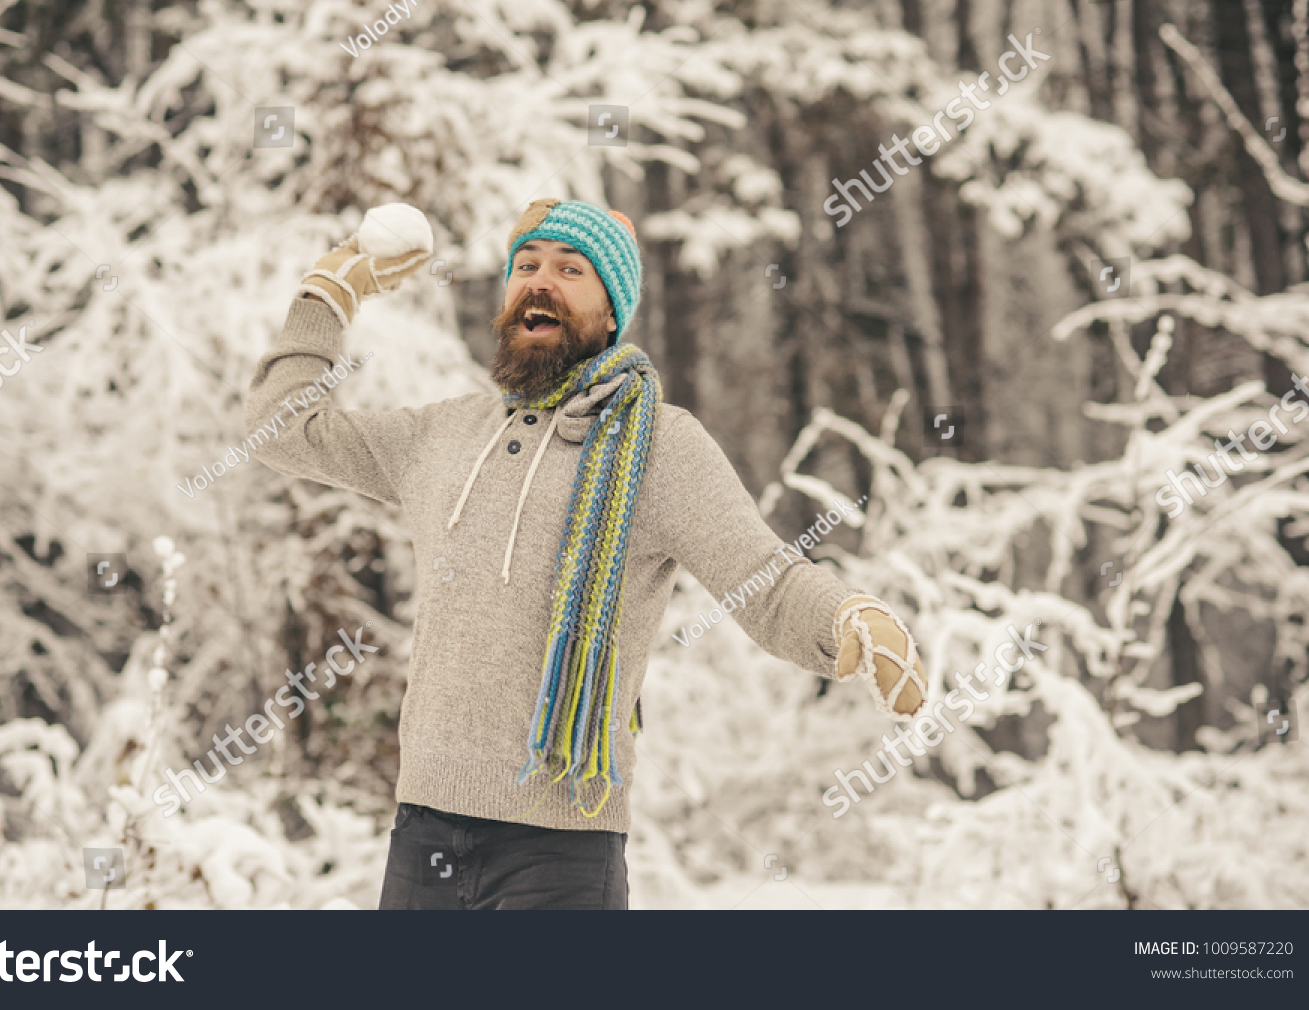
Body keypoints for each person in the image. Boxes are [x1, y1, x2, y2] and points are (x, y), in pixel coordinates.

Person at [245, 197, 926, 909]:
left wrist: (849, 618)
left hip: (562, 850)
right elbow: (283, 428)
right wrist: (330, 289)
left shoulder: (660, 445)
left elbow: (762, 579)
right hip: (425, 835)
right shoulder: (441, 437)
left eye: (572, 269)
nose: (541, 281)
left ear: (610, 314)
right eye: (527, 266)